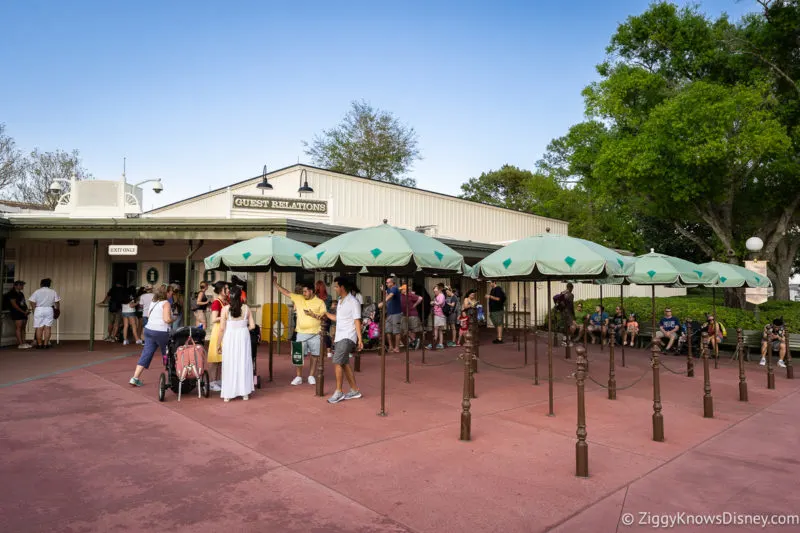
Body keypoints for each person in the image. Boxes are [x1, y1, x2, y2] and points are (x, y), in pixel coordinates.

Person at [274, 277, 326, 386]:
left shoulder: (320, 302)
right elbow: (286, 292)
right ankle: (298, 376)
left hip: (315, 333)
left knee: (315, 355)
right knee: (298, 355)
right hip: (301, 332)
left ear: (311, 291)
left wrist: (313, 315)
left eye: (306, 291)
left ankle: (311, 375)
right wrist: (275, 284)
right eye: (303, 291)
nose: (304, 293)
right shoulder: (299, 298)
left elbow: (324, 317)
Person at [321, 276, 363, 404]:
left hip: (348, 336)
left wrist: (360, 339)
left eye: (336, 286)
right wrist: (325, 313)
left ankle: (339, 391)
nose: (334, 288)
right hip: (339, 336)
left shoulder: (353, 302)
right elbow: (338, 318)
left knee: (337, 362)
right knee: (344, 363)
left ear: (342, 287)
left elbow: (357, 321)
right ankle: (355, 390)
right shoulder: (340, 301)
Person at [129, 284, 174, 387]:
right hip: (161, 331)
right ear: (166, 292)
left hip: (149, 330)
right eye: (170, 291)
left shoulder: (154, 301)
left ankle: (135, 377)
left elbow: (149, 315)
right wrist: (173, 319)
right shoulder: (166, 303)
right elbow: (167, 319)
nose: (172, 293)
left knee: (146, 353)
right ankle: (172, 377)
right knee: (167, 353)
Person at [217, 285, 256, 402]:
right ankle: (244, 393)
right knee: (243, 362)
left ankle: (228, 394)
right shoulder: (246, 308)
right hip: (243, 337)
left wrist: (218, 344)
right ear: (241, 296)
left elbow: (222, 329)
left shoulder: (225, 309)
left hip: (230, 337)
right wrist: (243, 329)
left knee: (229, 362)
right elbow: (253, 326)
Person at [207, 281, 229, 392]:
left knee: (222, 358)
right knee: (215, 358)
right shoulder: (216, 302)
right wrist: (225, 316)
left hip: (225, 330)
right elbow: (214, 319)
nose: (229, 290)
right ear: (221, 290)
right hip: (218, 330)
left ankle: (219, 380)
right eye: (227, 288)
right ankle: (211, 381)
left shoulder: (226, 301)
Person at [28, 278, 61, 349]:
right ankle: (46, 344)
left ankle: (39, 344)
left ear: (41, 284)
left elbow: (32, 301)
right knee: (47, 327)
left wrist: (34, 309)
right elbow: (57, 302)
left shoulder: (37, 291)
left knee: (39, 328)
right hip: (49, 309)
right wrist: (57, 309)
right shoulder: (53, 291)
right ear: (49, 284)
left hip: (39, 309)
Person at [4, 280, 31, 349]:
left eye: (22, 285)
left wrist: (26, 310)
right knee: (18, 327)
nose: (22, 286)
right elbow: (14, 304)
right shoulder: (12, 293)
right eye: (20, 285)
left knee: (23, 328)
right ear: (15, 286)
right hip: (16, 312)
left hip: (23, 313)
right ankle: (20, 344)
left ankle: (24, 342)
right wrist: (22, 311)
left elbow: (23, 303)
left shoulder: (21, 294)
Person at [400, 284, 423, 350]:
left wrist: (415, 304)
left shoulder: (410, 294)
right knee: (404, 329)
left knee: (413, 329)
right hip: (405, 314)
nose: (401, 290)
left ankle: (412, 343)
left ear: (405, 290)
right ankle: (414, 340)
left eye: (402, 289)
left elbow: (420, 298)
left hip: (412, 314)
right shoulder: (401, 295)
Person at [384, 277, 402, 353]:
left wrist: (383, 302)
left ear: (392, 283)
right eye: (386, 282)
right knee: (388, 330)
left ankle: (397, 347)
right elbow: (387, 294)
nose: (387, 284)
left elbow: (390, 295)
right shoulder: (389, 289)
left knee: (396, 331)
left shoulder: (394, 288)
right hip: (389, 313)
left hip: (396, 313)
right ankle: (391, 346)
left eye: (388, 282)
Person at [427, 283, 447, 350]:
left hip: (439, 314)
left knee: (437, 329)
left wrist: (434, 302)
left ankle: (436, 342)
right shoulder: (438, 296)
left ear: (439, 290)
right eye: (434, 291)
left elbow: (440, 302)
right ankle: (438, 342)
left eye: (435, 291)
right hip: (437, 314)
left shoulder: (441, 295)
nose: (435, 292)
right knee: (438, 329)